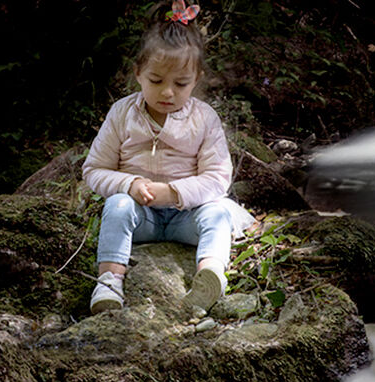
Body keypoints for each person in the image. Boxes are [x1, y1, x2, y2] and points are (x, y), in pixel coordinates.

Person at [82, 1, 251, 316]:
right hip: (139, 218)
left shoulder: (204, 119)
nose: (168, 93)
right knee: (115, 205)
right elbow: (94, 169)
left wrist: (174, 192)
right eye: (156, 81)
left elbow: (217, 178)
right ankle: (109, 281)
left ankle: (210, 274)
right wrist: (128, 184)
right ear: (138, 73)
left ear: (196, 78)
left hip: (185, 218)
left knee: (217, 214)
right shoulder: (122, 114)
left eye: (181, 83)